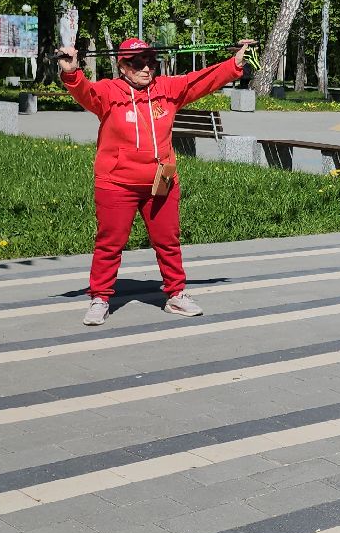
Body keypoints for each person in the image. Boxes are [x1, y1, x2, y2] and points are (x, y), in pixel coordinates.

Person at [55, 36, 253, 326]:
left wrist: (235, 61)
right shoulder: (109, 91)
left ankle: (175, 295)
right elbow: (84, 92)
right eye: (137, 63)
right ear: (122, 66)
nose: (146, 68)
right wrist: (71, 71)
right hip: (116, 183)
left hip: (161, 181)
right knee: (110, 243)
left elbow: (201, 81)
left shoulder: (168, 89)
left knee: (168, 240)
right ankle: (100, 297)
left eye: (151, 62)